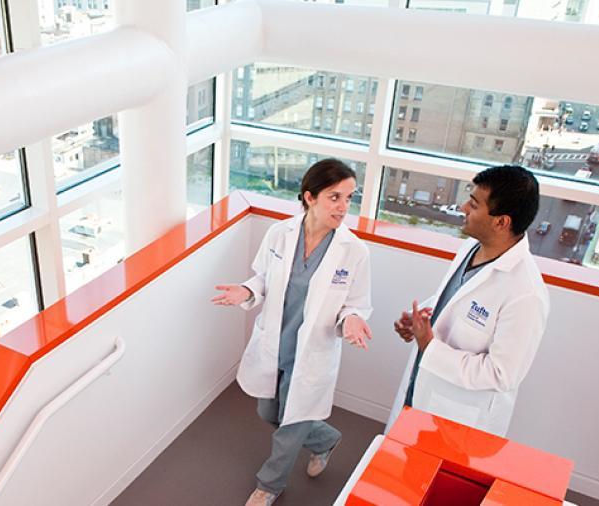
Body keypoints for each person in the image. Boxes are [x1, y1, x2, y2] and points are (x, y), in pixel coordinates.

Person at [212, 159, 373, 506]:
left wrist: (353, 321)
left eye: (349, 197)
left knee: (289, 427)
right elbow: (263, 279)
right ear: (310, 197)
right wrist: (246, 290)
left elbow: (355, 305)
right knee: (268, 413)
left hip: (312, 354)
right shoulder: (279, 234)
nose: (344, 207)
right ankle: (325, 439)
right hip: (276, 345)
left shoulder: (355, 251)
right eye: (335, 197)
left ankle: (269, 486)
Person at [388, 165, 549, 437]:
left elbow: (501, 374)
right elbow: (453, 300)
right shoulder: (472, 248)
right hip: (421, 388)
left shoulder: (526, 293)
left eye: (474, 205)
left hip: (458, 418)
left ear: (501, 222)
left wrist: (430, 346)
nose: (463, 208)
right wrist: (419, 321)